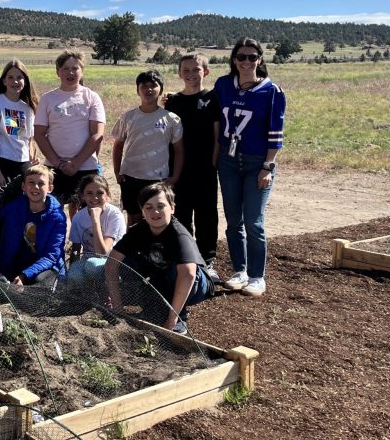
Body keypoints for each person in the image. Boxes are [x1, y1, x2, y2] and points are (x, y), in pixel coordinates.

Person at [214, 38, 286, 297]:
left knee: (254, 221)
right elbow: (206, 108)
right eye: (241, 57)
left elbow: (276, 135)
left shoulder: (272, 92)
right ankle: (239, 271)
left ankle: (257, 276)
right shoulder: (223, 85)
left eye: (252, 57)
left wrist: (268, 166)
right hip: (229, 161)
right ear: (234, 59)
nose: (246, 62)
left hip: (258, 163)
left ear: (260, 60)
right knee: (233, 220)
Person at [103, 183, 212, 334]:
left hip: (195, 286)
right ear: (142, 211)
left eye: (161, 206)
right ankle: (151, 306)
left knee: (180, 269)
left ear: (172, 208)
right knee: (127, 261)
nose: (155, 211)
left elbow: (189, 274)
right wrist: (117, 306)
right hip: (160, 276)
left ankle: (179, 316)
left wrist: (172, 319)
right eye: (148, 207)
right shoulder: (138, 230)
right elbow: (111, 264)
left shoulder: (179, 234)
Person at [165, 53, 221, 280]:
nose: (191, 74)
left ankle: (207, 262)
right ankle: (187, 260)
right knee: (182, 215)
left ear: (205, 72)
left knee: (207, 215)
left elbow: (218, 135)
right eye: (185, 71)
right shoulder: (172, 102)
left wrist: (214, 163)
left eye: (196, 70)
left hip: (205, 168)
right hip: (178, 169)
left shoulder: (213, 98)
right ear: (179, 74)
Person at [34, 50, 106, 211]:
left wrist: (77, 162)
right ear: (57, 72)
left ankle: (78, 237)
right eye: (65, 68)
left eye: (75, 68)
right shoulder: (47, 99)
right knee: (52, 211)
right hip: (54, 167)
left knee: (85, 213)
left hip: (86, 166)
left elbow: (97, 134)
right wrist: (58, 162)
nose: (70, 73)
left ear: (82, 71)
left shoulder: (92, 97)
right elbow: (39, 134)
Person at [110, 70, 184, 225]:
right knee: (134, 219)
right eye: (144, 85)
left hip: (158, 179)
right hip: (131, 176)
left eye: (153, 85)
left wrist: (175, 177)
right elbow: (117, 146)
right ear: (138, 90)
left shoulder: (172, 119)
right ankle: (134, 249)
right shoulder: (128, 117)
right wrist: (117, 172)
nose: (148, 89)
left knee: (157, 218)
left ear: (161, 90)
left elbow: (179, 150)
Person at [0, 164, 67, 286]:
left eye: (41, 183)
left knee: (40, 283)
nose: (35, 187)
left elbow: (52, 255)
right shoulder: (12, 209)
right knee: (0, 282)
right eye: (31, 182)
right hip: (18, 264)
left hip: (45, 267)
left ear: (50, 188)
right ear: (23, 186)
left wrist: (25, 275)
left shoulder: (57, 216)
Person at [64, 174, 126, 295]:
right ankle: (90, 294)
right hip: (88, 259)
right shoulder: (78, 218)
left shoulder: (114, 215)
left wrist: (95, 219)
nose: (95, 197)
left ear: (107, 195)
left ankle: (107, 293)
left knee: (92, 265)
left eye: (100, 193)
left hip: (113, 261)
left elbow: (102, 253)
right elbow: (75, 250)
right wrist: (71, 275)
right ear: (82, 196)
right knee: (74, 274)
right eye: (89, 193)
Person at [0, 59, 38, 190]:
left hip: (23, 163)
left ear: (25, 81)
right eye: (10, 77)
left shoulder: (29, 109)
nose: (15, 81)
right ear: (4, 81)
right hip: (2, 162)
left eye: (19, 77)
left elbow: (29, 140)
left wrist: (31, 164)